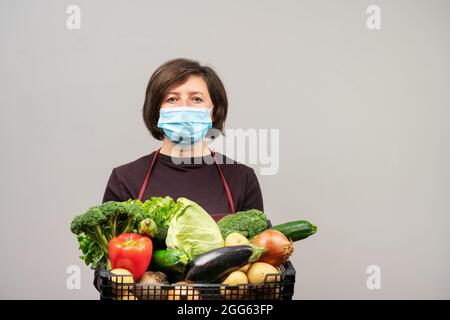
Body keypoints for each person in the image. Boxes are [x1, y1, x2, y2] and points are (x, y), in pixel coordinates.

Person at [94, 58, 264, 290]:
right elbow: (104, 272)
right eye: (172, 99)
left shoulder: (241, 178)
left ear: (214, 112)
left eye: (196, 99)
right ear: (157, 111)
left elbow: (260, 264)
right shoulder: (126, 178)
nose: (184, 108)